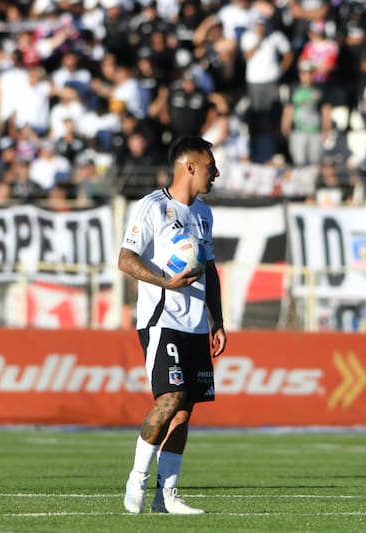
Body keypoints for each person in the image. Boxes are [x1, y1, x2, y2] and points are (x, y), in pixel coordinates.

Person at [118, 136, 227, 515]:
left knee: (185, 411)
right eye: (212, 165)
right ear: (191, 166)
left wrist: (218, 320)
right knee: (169, 399)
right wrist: (166, 282)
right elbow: (125, 259)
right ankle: (137, 479)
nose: (217, 172)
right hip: (162, 320)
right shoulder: (151, 207)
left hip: (197, 323)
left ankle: (167, 497)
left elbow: (209, 270)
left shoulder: (204, 215)